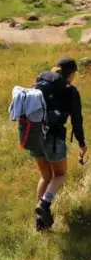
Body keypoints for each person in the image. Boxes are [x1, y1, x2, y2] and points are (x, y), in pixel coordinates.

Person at [32, 58, 87, 231]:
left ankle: (40, 222)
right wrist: (82, 143)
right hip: (53, 138)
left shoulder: (41, 82)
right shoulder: (70, 90)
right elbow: (77, 120)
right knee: (61, 175)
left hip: (34, 136)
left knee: (45, 176)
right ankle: (45, 202)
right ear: (71, 73)